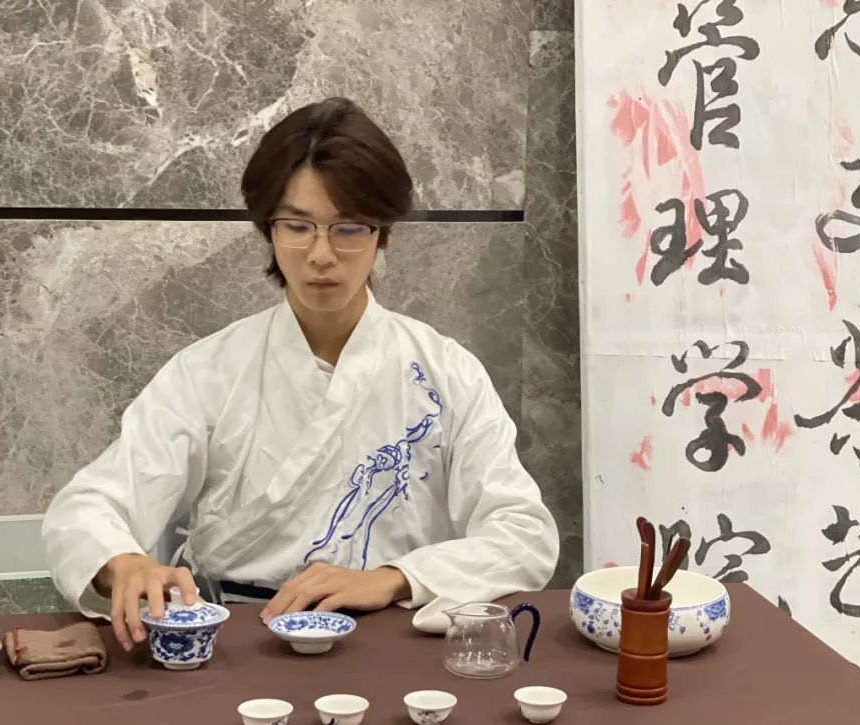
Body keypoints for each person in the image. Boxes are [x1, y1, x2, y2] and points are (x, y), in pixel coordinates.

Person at [42, 97, 560, 652]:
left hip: (391, 637)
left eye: (348, 228)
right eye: (298, 226)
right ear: (268, 228)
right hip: (238, 636)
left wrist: (395, 578)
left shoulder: (445, 371)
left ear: (382, 231)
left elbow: (523, 534)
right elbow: (88, 506)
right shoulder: (209, 371)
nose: (321, 254)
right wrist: (122, 563)